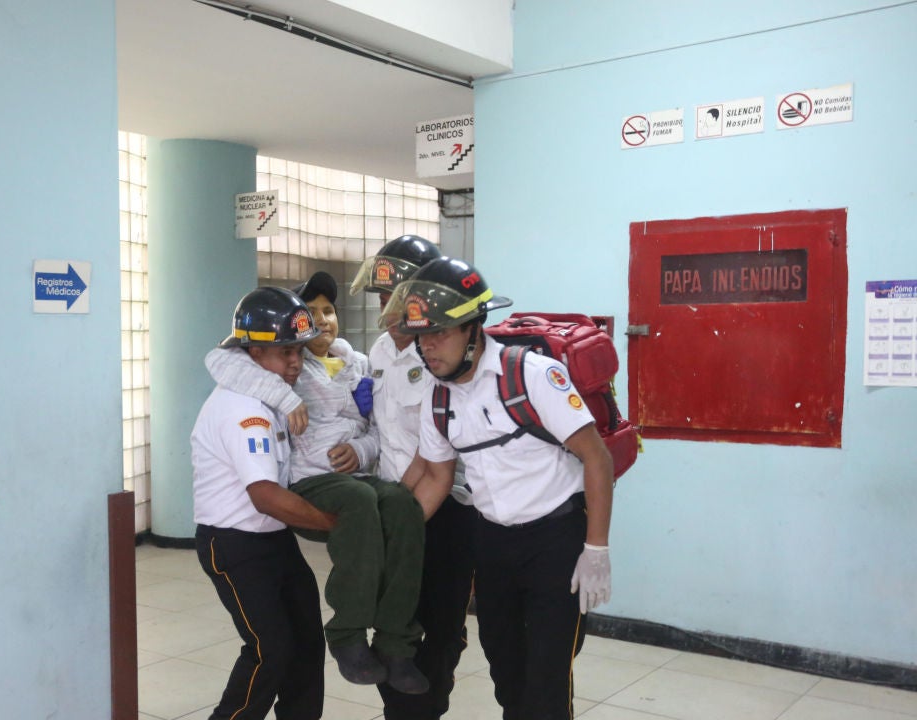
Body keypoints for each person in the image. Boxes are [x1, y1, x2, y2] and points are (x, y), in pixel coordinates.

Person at [393, 257, 614, 720]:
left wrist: (596, 549)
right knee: (506, 670)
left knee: (547, 680)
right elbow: (436, 476)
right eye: (420, 337)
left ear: (473, 329)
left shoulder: (532, 375)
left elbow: (597, 457)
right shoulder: (438, 397)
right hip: (492, 542)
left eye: (439, 333)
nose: (427, 347)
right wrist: (394, 535)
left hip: (555, 542)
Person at [204, 271, 428, 694]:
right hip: (310, 479)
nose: (322, 319)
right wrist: (286, 397)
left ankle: (396, 641)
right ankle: (348, 633)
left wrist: (362, 448)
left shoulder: (360, 363)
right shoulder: (284, 368)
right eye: (312, 312)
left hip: (357, 473)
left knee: (401, 504)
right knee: (359, 501)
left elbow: (376, 430)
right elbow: (223, 361)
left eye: (328, 310)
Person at [191, 286, 338, 720]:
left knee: (306, 643)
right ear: (253, 352)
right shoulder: (244, 410)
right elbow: (266, 496)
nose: (295, 363)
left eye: (299, 351)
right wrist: (337, 524)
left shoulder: (272, 396)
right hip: (234, 545)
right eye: (284, 353)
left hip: (273, 541)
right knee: (268, 649)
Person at [351, 235, 476, 720]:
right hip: (392, 504)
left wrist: (397, 515)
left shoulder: (442, 356)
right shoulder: (381, 350)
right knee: (391, 625)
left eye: (397, 296)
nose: (387, 308)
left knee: (439, 631)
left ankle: (424, 711)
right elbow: (378, 433)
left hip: (442, 511)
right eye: (382, 296)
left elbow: (436, 456)